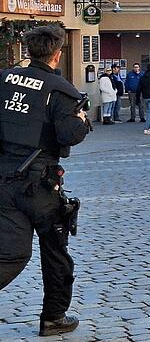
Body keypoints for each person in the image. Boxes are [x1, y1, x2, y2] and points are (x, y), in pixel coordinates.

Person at [0, 24, 91, 337]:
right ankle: (54, 317)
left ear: (28, 50)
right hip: (40, 184)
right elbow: (68, 135)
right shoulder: (60, 89)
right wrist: (81, 120)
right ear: (58, 53)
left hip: (3, 178)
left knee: (10, 254)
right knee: (55, 252)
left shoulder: (4, 80)